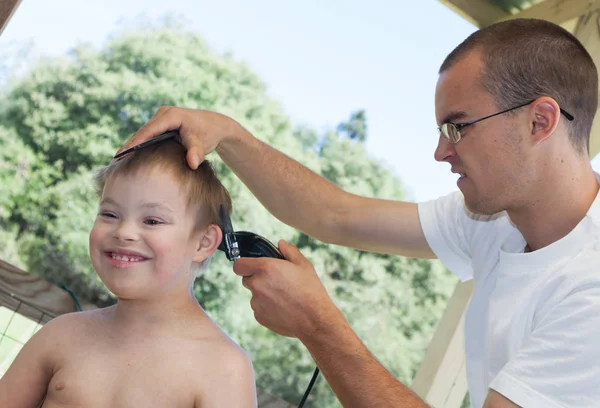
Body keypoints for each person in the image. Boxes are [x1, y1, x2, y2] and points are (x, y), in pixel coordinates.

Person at [117, 18, 600, 408]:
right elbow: (335, 216)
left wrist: (318, 325)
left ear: (540, 121)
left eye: (457, 128)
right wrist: (228, 135)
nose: (439, 152)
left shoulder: (590, 291)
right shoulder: (494, 221)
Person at [0, 140, 257, 407]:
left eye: (152, 221)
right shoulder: (60, 336)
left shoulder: (223, 368)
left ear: (203, 243)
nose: (123, 232)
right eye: (110, 214)